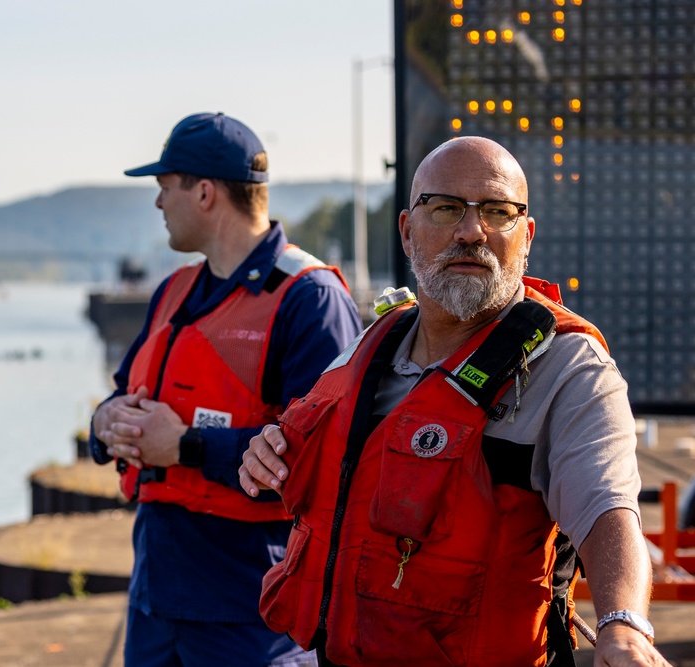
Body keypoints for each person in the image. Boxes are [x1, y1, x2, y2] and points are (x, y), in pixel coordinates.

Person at [239, 136, 670, 667]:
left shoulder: (570, 369)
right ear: (406, 231)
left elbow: (608, 508)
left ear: (526, 237)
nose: (472, 231)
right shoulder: (373, 342)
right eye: (446, 208)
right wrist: (267, 450)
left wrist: (623, 626)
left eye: (498, 212)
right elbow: (318, 449)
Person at [89, 112, 362, 666]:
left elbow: (328, 458)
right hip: (156, 601)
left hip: (252, 614)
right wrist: (105, 422)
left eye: (166, 187)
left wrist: (185, 445)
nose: (159, 202)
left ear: (205, 193)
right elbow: (122, 391)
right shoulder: (174, 290)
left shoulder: (309, 299)